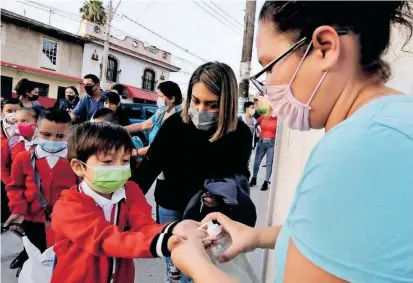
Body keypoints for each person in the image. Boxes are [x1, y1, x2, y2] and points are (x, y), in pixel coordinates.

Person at [170, 1, 413, 283]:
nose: (271, 86)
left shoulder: (360, 147)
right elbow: (338, 239)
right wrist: (257, 237)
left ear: (325, 47)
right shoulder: (391, 122)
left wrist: (198, 266)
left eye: (270, 67)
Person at [136, 62, 252, 283]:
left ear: (227, 104)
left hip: (207, 212)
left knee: (195, 271)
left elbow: (240, 176)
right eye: (196, 101)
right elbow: (149, 168)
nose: (200, 110)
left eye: (211, 104)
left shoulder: (241, 134)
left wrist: (224, 195)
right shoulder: (174, 125)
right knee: (175, 265)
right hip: (171, 205)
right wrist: (122, 205)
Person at [50, 122, 203, 283]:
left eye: (124, 161)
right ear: (79, 167)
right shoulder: (68, 206)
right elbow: (104, 239)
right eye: (108, 162)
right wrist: (164, 243)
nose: (119, 168)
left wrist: (175, 228)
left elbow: (144, 226)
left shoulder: (130, 191)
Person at [4, 108, 77, 276]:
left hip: (66, 222)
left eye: (60, 136)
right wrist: (18, 210)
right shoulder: (24, 158)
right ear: (36, 130)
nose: (53, 140)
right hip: (33, 219)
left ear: (69, 135)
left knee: (63, 260)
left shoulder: (74, 160)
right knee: (36, 256)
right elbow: (16, 187)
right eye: (46, 134)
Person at [125, 81, 183, 156]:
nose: (158, 99)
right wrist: (121, 129)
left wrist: (136, 152)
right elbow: (142, 125)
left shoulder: (178, 119)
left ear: (172, 98)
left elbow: (160, 146)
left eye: (161, 96)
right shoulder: (162, 113)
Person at [1, 107, 38, 186]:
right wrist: (11, 184)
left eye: (24, 121)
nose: (18, 124)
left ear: (36, 122)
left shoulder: (44, 143)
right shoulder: (11, 142)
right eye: (16, 121)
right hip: (17, 190)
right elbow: (2, 165)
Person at [1, 98, 23, 225]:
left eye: (17, 111)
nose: (13, 114)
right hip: (2, 168)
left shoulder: (26, 127)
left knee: (14, 195)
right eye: (9, 111)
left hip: (17, 169)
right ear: (2, 112)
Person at [249, 106, 277, 191]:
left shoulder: (279, 119)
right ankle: (254, 179)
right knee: (257, 161)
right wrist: (256, 132)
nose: (273, 110)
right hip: (261, 142)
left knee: (269, 163)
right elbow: (254, 123)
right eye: (272, 108)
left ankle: (266, 182)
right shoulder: (264, 117)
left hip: (272, 143)